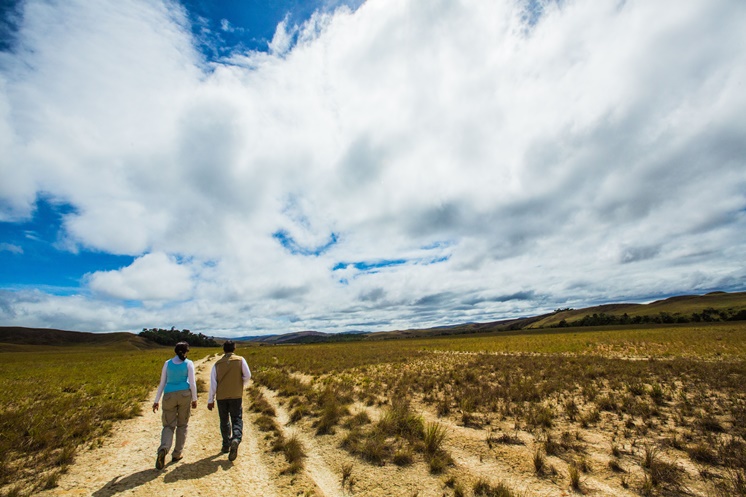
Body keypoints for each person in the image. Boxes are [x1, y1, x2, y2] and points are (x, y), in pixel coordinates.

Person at [152, 341, 198, 470]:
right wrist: (194, 399)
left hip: (169, 395)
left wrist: (156, 401)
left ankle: (164, 448)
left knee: (168, 425)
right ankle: (177, 453)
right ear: (186, 351)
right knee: (182, 425)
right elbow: (193, 383)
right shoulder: (189, 363)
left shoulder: (167, 364)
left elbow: (162, 383)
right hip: (184, 395)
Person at [207, 340, 251, 461]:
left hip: (221, 396)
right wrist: (240, 384)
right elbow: (247, 375)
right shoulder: (240, 360)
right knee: (237, 418)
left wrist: (210, 400)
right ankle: (236, 438)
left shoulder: (217, 364)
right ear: (234, 348)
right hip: (236, 395)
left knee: (224, 420)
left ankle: (226, 445)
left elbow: (213, 384)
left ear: (223, 349)